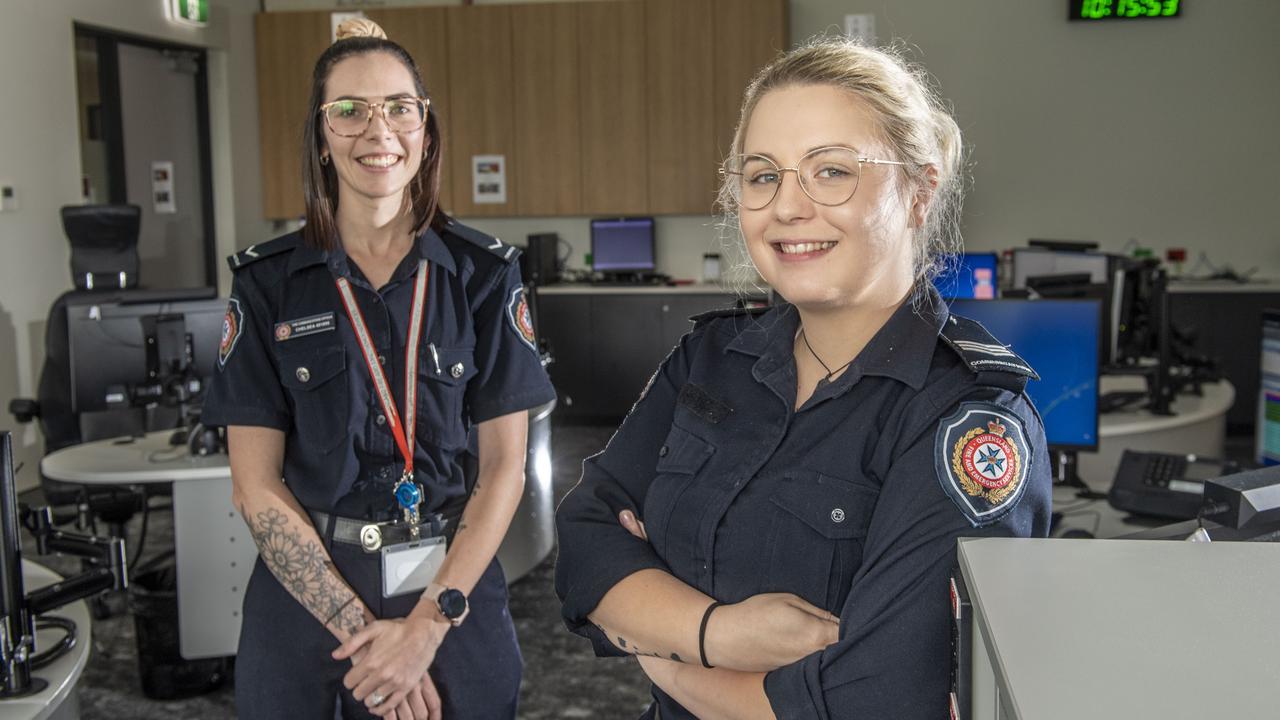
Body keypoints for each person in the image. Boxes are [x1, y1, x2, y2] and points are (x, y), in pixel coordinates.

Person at [554, 38, 1052, 719]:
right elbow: (584, 539)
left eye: (830, 171)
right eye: (762, 176)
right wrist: (715, 633)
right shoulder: (711, 359)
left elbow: (880, 699)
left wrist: (662, 657)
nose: (786, 207)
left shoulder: (966, 418)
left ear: (918, 192)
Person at [202, 18, 555, 720]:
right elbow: (255, 486)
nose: (378, 129)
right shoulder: (267, 284)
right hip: (307, 595)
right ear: (321, 136)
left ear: (425, 130)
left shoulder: (485, 276)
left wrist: (424, 629)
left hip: (451, 582)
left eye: (399, 107)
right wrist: (371, 645)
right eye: (349, 110)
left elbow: (503, 469)